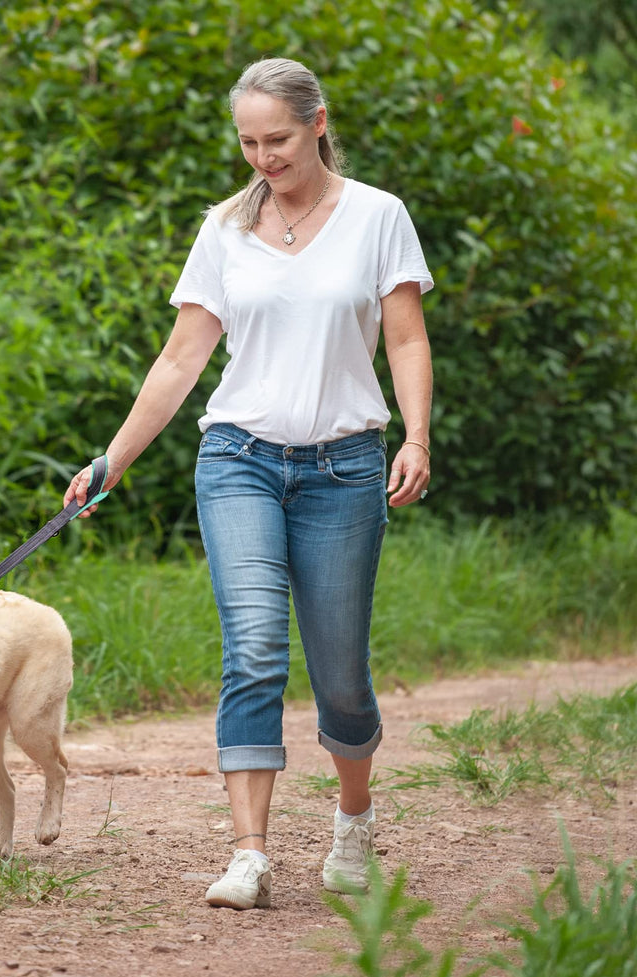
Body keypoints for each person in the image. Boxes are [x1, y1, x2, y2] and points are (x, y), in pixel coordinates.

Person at [63, 56, 433, 910]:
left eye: (278, 139)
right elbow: (181, 358)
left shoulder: (379, 217)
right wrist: (109, 461)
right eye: (248, 142)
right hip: (238, 460)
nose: (263, 157)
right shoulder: (223, 230)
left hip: (346, 467)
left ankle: (352, 821)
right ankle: (250, 854)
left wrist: (416, 435)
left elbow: (406, 341)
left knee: (340, 673)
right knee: (255, 647)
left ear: (318, 123)